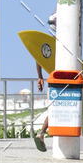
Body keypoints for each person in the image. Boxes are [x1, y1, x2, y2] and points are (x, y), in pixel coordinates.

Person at [32, 13, 56, 152]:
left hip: (55, 79)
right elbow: (39, 57)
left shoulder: (50, 42)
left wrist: (40, 76)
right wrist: (40, 76)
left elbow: (39, 57)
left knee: (55, 109)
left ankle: (42, 133)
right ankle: (42, 133)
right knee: (55, 109)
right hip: (58, 79)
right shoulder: (58, 41)